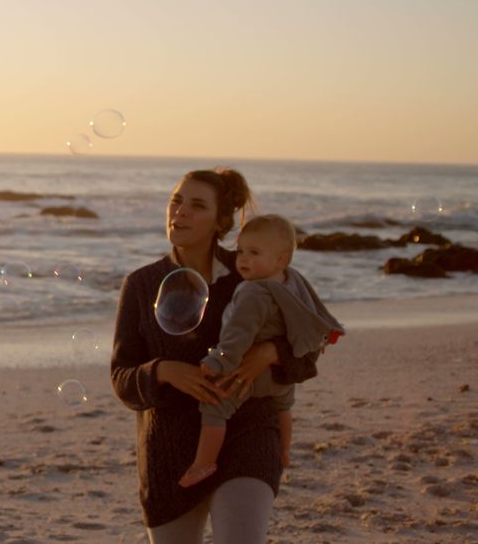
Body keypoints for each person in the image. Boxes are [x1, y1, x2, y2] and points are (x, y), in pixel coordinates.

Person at [110, 168, 320, 543]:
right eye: (176, 201)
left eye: (196, 205)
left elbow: (310, 347)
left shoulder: (253, 276)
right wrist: (163, 371)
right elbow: (122, 379)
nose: (181, 212)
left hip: (249, 432)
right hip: (169, 450)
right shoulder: (141, 284)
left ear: (221, 221)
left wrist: (270, 353)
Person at [179, 214, 344, 488]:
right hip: (281, 377)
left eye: (254, 253)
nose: (242, 259)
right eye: (241, 251)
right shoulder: (292, 281)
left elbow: (237, 336)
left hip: (251, 374)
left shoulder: (253, 293)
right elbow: (311, 312)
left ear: (280, 260)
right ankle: (284, 451)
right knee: (284, 407)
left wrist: (218, 361)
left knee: (215, 407)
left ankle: (204, 463)